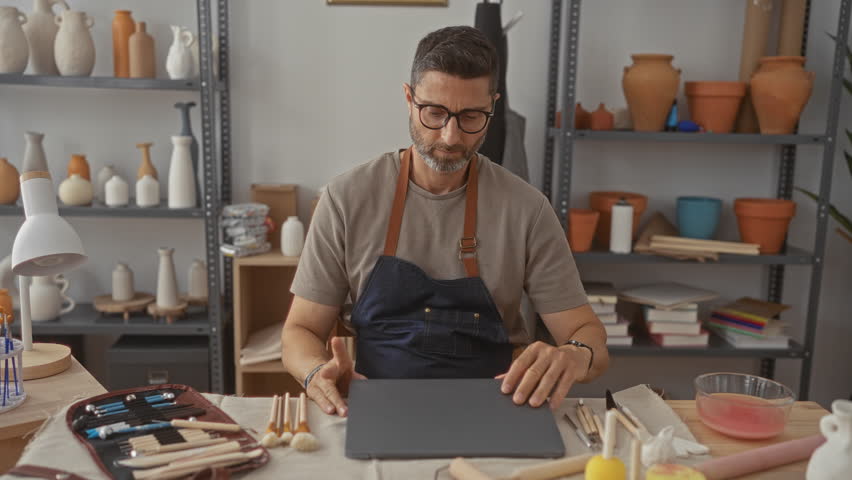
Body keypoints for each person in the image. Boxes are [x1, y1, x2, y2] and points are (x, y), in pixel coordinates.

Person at [282, 25, 608, 417]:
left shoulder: (527, 209)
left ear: (493, 107)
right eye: (434, 113)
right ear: (408, 98)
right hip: (375, 406)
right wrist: (317, 372)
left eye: (471, 116)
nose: (451, 136)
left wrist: (574, 355)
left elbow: (589, 338)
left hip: (497, 409)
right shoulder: (346, 199)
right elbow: (299, 331)